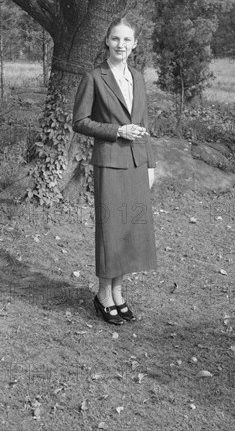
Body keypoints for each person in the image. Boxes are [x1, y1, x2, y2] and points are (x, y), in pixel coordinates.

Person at [72, 17, 157, 325]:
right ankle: (103, 295)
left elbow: (145, 124)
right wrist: (117, 131)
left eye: (127, 40)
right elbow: (80, 121)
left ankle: (118, 292)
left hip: (136, 165)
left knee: (130, 231)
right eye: (115, 39)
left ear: (134, 45)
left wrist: (150, 164)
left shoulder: (138, 77)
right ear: (107, 41)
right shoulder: (94, 77)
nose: (121, 45)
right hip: (109, 163)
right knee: (111, 231)